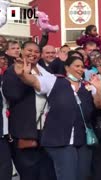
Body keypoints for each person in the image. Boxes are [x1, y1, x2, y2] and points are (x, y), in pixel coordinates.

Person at [2, 41, 56, 180]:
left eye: (36, 52)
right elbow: (12, 94)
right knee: (29, 173)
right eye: (29, 51)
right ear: (21, 51)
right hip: (24, 131)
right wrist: (23, 77)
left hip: (45, 131)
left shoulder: (45, 72)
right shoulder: (13, 70)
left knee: (46, 172)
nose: (33, 54)